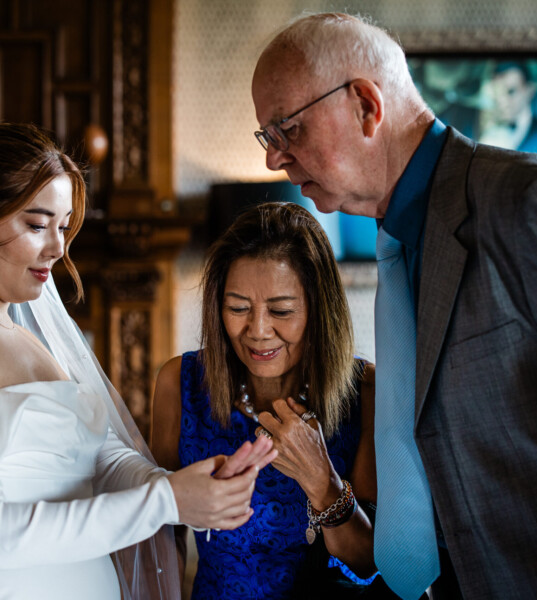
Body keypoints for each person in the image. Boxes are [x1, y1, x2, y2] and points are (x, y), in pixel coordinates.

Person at [252, 13, 537, 600]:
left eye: (288, 130)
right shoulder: (399, 246)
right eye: (268, 138)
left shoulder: (524, 205)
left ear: (365, 105)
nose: (274, 160)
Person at [0, 117, 276, 599]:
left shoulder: (23, 334)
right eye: (37, 224)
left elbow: (94, 459)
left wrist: (178, 485)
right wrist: (163, 501)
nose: (58, 248)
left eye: (63, 227)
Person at [152, 202, 390, 599]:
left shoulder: (365, 392)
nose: (258, 331)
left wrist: (323, 482)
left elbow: (368, 564)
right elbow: (161, 538)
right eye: (238, 308)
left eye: (281, 310)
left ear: (318, 310)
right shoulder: (181, 383)